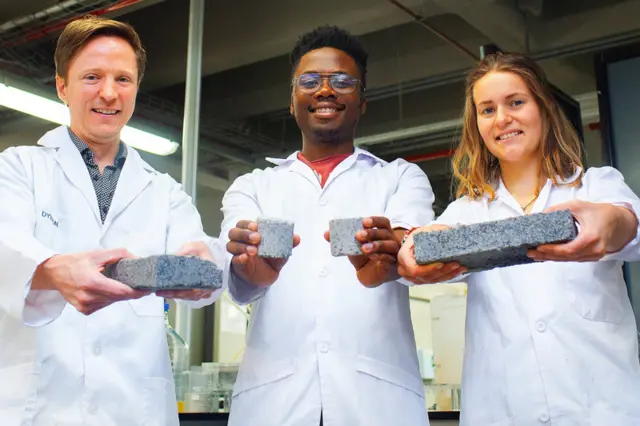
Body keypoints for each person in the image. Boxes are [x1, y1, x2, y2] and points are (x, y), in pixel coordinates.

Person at [0, 15, 226, 426]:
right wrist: (52, 269)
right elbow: (4, 244)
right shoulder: (19, 169)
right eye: (92, 77)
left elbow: (201, 258)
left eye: (123, 79)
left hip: (134, 408)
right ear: (62, 86)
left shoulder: (164, 191)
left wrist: (203, 263)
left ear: (136, 89)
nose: (108, 92)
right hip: (40, 406)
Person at [398, 51, 640, 425]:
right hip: (504, 412)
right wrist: (418, 246)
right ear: (477, 124)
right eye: (488, 109)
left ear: (542, 107)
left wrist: (612, 224)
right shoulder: (468, 211)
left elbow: (630, 225)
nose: (503, 118)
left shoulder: (597, 186)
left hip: (603, 409)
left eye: (516, 102)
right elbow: (428, 243)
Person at [222, 26, 434, 426]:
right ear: (292, 101)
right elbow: (239, 273)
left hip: (376, 405)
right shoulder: (252, 186)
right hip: (274, 404)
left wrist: (390, 255)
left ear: (363, 102)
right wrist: (249, 266)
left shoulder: (401, 179)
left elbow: (411, 246)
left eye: (342, 82)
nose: (325, 91)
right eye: (309, 81)